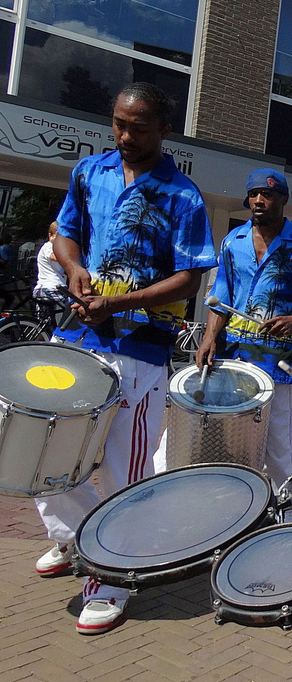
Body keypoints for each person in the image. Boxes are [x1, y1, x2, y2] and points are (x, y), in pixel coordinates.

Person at [33, 82, 217, 635]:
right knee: (51, 454)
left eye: (139, 126)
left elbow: (190, 277)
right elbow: (65, 233)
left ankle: (112, 577)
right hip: (79, 342)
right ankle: (73, 538)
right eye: (118, 123)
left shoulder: (183, 196)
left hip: (139, 353)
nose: (125, 135)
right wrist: (74, 270)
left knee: (123, 472)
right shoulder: (90, 173)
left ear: (165, 128)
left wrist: (119, 301)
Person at [196, 168, 292, 499]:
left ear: (283, 201)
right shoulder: (234, 242)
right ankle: (242, 508)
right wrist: (207, 339)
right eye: (255, 193)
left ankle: (285, 514)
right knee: (237, 440)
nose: (260, 200)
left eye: (269, 194)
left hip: (283, 363)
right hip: (238, 359)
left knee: (281, 445)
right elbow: (222, 297)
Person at [32, 221, 67, 304]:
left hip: (51, 287)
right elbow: (53, 257)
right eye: (58, 237)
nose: (61, 240)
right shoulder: (49, 246)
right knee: (72, 308)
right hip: (50, 287)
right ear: (50, 235)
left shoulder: (56, 247)